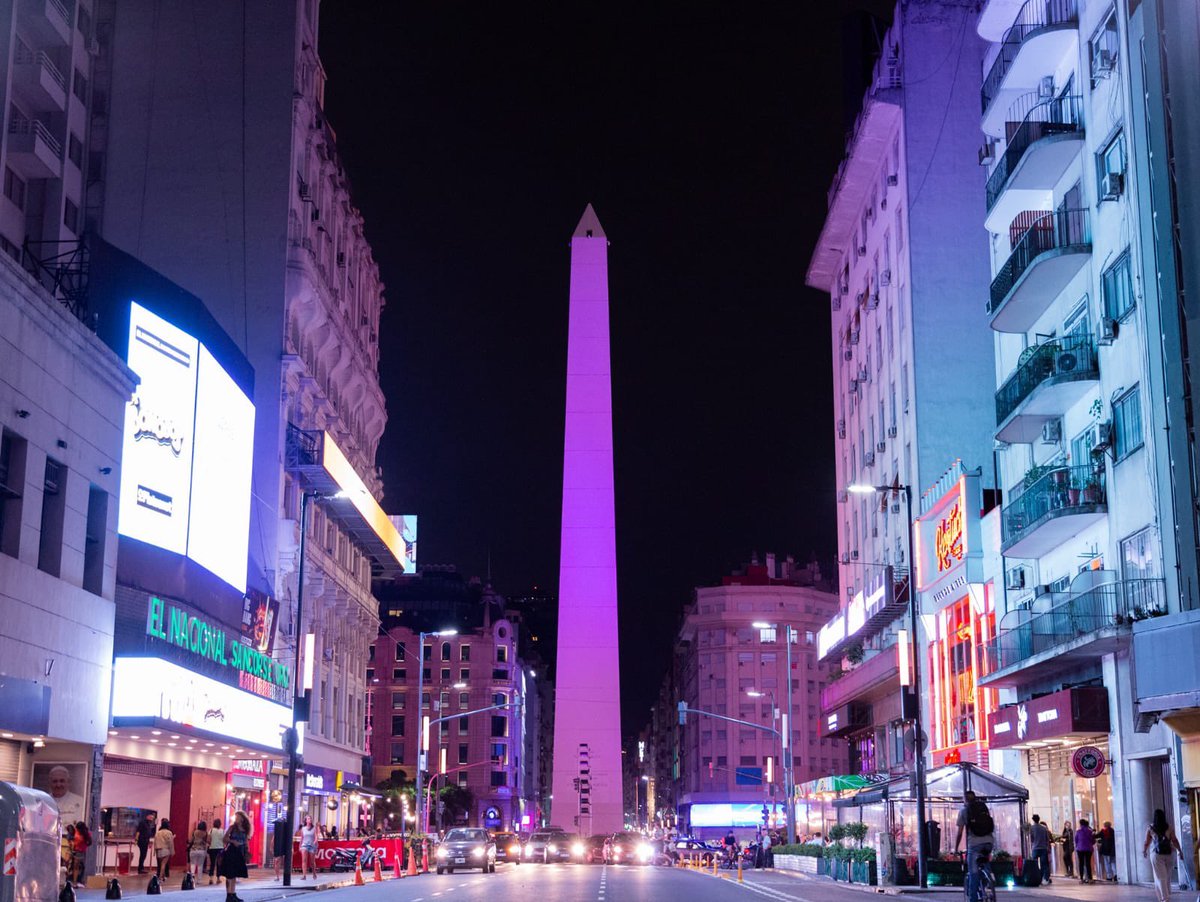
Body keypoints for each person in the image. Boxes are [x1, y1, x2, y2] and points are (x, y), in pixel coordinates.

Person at [954, 790, 995, 902]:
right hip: (989, 842)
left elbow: (960, 833)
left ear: (965, 799)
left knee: (973, 873)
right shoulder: (983, 807)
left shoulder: (964, 811)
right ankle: (989, 879)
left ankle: (973, 899)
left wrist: (956, 848)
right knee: (984, 860)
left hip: (974, 844)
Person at [1143, 808, 1182, 902]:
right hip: (1170, 853)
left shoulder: (1150, 827)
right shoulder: (1169, 827)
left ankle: (1165, 898)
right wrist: (1180, 851)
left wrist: (1144, 851)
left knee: (1160, 877)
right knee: (1167, 876)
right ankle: (1165, 894)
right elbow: (1174, 840)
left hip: (1156, 854)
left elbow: (1147, 842)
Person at [219, 811, 252, 902]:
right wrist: (233, 841)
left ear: (242, 818)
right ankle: (229, 895)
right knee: (230, 874)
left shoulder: (245, 829)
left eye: (237, 817)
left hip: (240, 853)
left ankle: (233, 894)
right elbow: (225, 838)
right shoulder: (232, 828)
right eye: (235, 817)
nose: (236, 819)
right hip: (231, 851)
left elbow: (246, 841)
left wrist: (247, 851)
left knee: (234, 874)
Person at [1030, 814, 1052, 886]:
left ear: (1033, 820)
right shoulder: (1044, 828)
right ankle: (1044, 878)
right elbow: (1047, 839)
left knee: (1035, 864)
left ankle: (1036, 878)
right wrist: (1048, 847)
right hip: (1043, 848)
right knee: (1044, 864)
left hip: (1035, 848)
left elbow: (1031, 838)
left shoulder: (1032, 828)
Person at [1075, 818, 1096, 883]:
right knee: (1088, 863)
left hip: (1080, 849)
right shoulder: (1090, 831)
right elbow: (1093, 840)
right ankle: (1090, 878)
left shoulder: (1078, 831)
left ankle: (1081, 878)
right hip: (1088, 849)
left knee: (1081, 863)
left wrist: (1078, 846)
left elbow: (1076, 840)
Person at [298, 815, 319, 880]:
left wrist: (315, 842)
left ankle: (314, 873)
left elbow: (316, 837)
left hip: (312, 845)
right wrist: (300, 846)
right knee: (304, 860)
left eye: (310, 818)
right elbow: (302, 838)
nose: (310, 820)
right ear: (306, 820)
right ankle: (304, 875)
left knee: (312, 862)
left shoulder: (314, 828)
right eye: (308, 819)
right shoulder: (303, 829)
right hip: (304, 845)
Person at [71, 821, 91, 887]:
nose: (77, 830)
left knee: (77, 867)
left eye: (78, 829)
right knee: (76, 866)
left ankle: (75, 881)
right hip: (77, 850)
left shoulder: (83, 835)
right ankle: (75, 881)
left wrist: (83, 845)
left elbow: (89, 842)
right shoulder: (79, 832)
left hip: (79, 852)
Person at [206, 819, 224, 885]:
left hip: (212, 848)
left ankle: (211, 878)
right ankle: (218, 878)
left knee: (212, 863)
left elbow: (208, 839)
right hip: (220, 848)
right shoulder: (222, 831)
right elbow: (224, 840)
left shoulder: (211, 830)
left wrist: (211, 843)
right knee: (219, 864)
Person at [272, 814, 288, 880]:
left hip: (281, 846)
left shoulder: (284, 830)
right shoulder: (277, 832)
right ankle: (278, 876)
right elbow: (273, 839)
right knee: (277, 861)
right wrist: (272, 846)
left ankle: (281, 876)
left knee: (279, 861)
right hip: (278, 846)